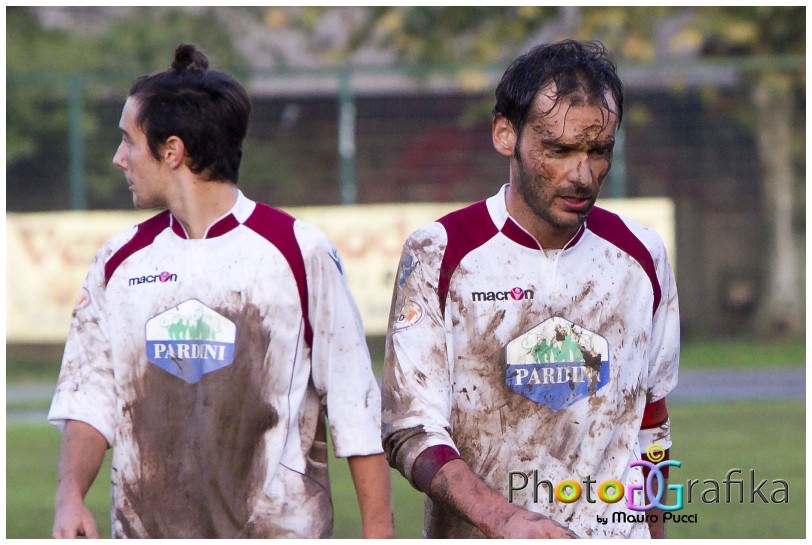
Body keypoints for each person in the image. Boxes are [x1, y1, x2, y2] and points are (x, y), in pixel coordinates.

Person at [48, 43, 394, 539]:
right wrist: (70, 500)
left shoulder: (299, 251)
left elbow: (355, 406)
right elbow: (89, 399)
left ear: (172, 151)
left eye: (128, 140)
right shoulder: (118, 260)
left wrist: (378, 534)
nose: (117, 158)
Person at [382, 39, 679, 539]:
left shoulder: (641, 255)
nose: (581, 174)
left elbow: (651, 420)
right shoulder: (441, 252)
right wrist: (503, 520)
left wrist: (653, 531)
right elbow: (410, 430)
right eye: (557, 149)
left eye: (598, 151)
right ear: (505, 134)